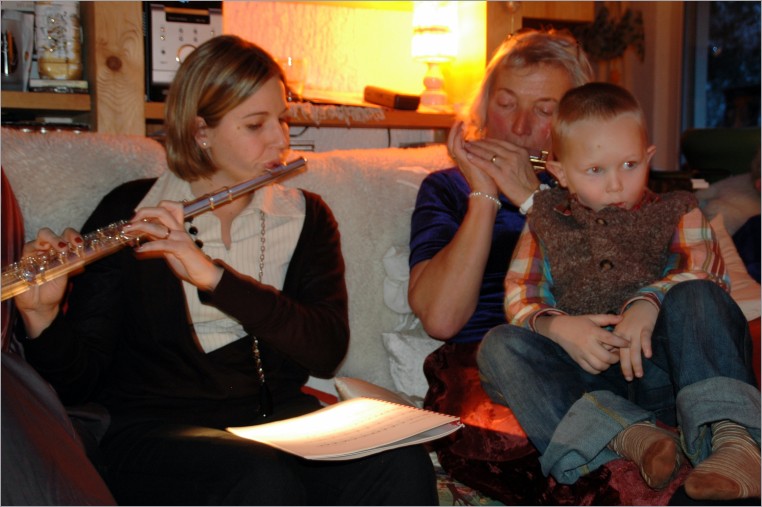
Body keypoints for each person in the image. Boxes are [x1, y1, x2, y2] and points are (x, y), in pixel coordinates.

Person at [14, 35, 437, 506]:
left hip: (281, 423)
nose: (280, 139)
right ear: (201, 132)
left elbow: (325, 351)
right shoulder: (133, 214)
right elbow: (79, 384)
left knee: (400, 461)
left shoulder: (308, 217)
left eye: (282, 117)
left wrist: (215, 279)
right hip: (159, 432)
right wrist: (43, 319)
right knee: (258, 477)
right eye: (256, 124)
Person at [477, 82, 761, 502]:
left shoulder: (679, 209)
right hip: (592, 380)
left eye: (629, 164)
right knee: (498, 346)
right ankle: (631, 436)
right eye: (595, 170)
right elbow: (521, 295)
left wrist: (649, 303)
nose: (615, 185)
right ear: (559, 172)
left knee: (699, 295)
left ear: (649, 156)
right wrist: (559, 329)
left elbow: (705, 271)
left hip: (672, 374)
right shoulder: (544, 220)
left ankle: (735, 442)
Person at [407, 29, 594, 501]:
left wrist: (533, 200)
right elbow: (441, 319)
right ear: (483, 106)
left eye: (545, 111)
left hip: (577, 353)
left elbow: (604, 291)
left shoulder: (595, 189)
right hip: (479, 364)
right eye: (506, 103)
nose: (519, 126)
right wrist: (485, 196)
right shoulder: (447, 189)